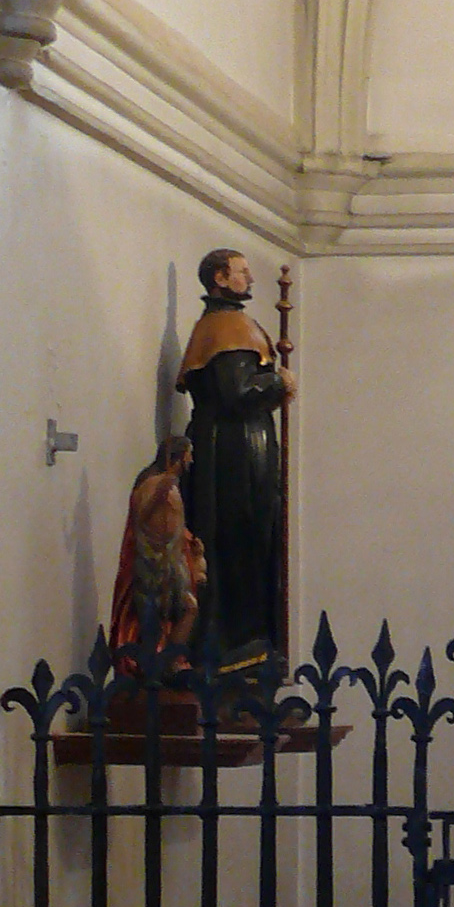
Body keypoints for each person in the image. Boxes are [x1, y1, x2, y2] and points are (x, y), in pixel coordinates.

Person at [175, 247, 291, 667]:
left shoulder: (227, 324)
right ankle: (237, 640)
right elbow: (236, 393)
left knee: (252, 540)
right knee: (240, 538)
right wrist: (278, 381)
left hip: (234, 445)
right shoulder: (226, 327)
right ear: (220, 279)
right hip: (235, 452)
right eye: (242, 272)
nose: (251, 279)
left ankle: (247, 639)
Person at [109, 436, 203, 676]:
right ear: (177, 457)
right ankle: (165, 663)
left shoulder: (155, 482)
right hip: (157, 563)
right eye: (188, 455)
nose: (190, 461)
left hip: (158, 560)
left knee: (167, 613)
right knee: (177, 610)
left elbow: (168, 523)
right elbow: (156, 522)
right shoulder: (160, 484)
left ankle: (162, 661)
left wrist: (189, 540)